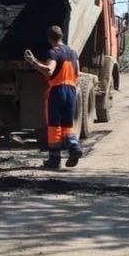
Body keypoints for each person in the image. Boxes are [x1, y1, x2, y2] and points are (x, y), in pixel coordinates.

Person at [24, 25, 83, 170]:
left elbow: (49, 71)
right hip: (71, 91)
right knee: (67, 127)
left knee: (54, 127)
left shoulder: (53, 52)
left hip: (57, 91)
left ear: (50, 39)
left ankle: (54, 160)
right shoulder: (73, 53)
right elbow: (78, 73)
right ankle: (74, 146)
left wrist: (33, 62)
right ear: (61, 36)